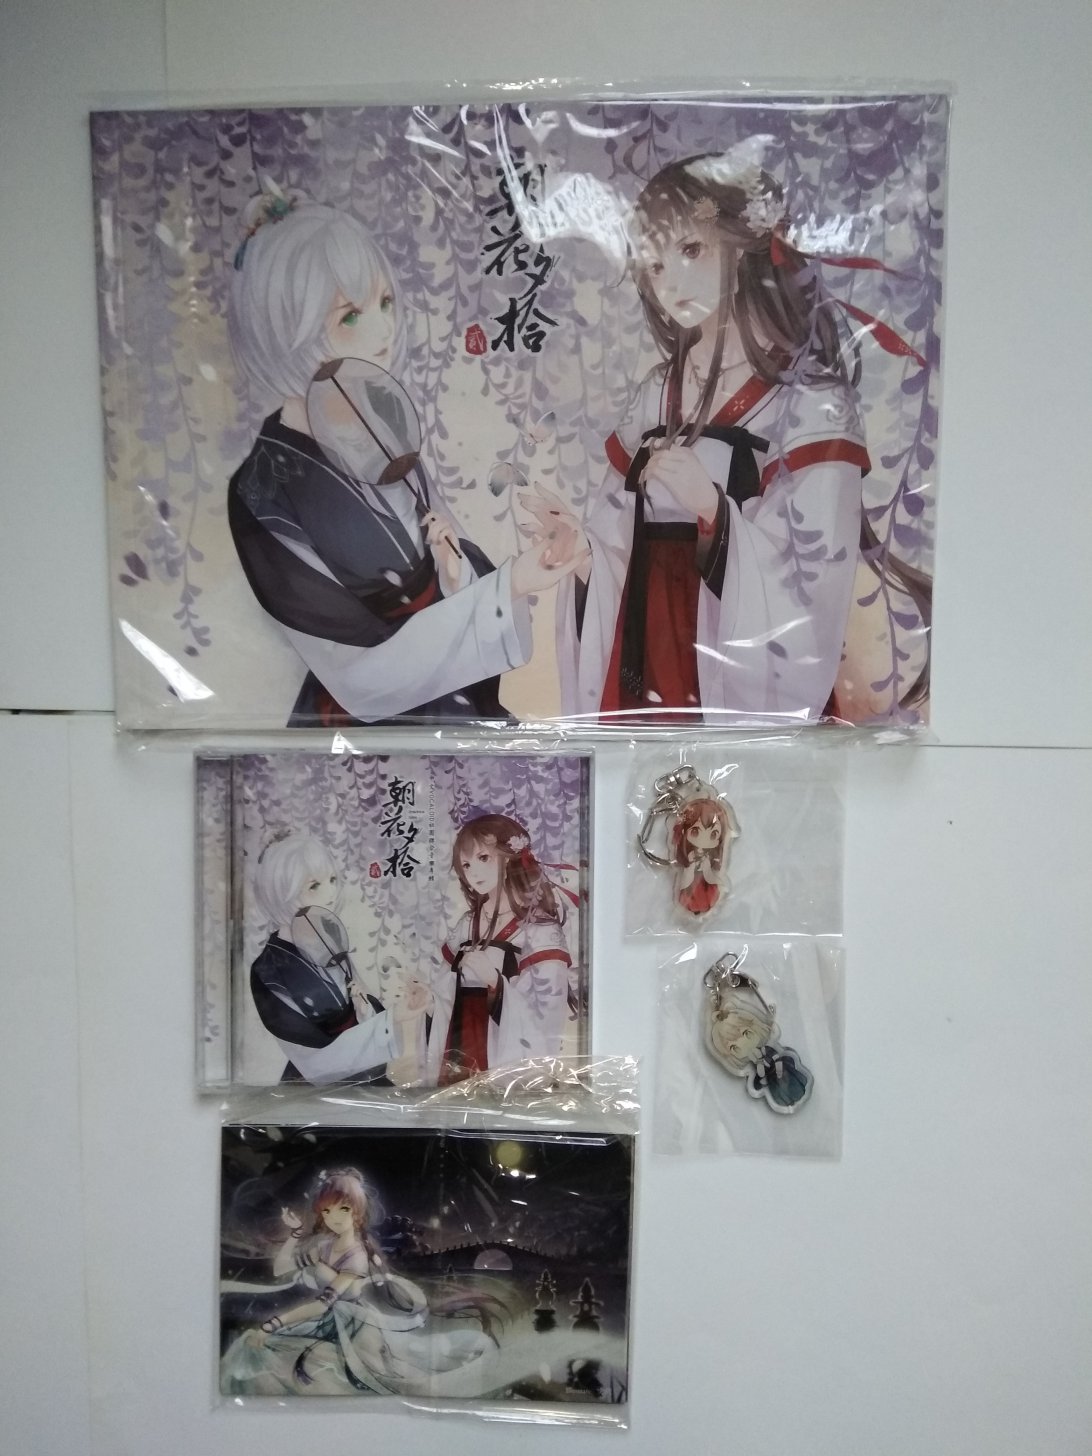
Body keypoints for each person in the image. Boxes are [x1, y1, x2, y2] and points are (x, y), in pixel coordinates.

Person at [541, 154, 930, 724]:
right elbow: (616, 544)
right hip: (644, 649)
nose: (671, 281)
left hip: (737, 673)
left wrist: (712, 512)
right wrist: (581, 555)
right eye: (655, 264)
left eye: (691, 249)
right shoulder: (654, 396)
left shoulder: (810, 404)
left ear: (743, 246)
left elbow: (811, 586)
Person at [226, 193, 581, 726]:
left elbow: (443, 558)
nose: (384, 330)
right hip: (365, 721)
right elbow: (354, 671)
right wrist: (507, 586)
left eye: (386, 304)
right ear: (284, 330)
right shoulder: (262, 490)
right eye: (351, 316)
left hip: (445, 687)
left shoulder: (382, 426)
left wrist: (460, 575)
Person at [221, 1167, 497, 1396]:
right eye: (327, 1211)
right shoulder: (324, 1247)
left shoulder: (356, 1257)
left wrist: (271, 1324)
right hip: (326, 1321)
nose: (334, 1218)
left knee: (394, 1382)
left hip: (354, 1327)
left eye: (342, 1209)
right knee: (255, 1347)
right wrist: (295, 1234)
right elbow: (281, 1268)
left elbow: (323, 1303)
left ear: (356, 1212)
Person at [249, 831, 423, 1084]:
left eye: (332, 880)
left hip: (362, 1072)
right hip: (318, 1087)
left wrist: (368, 1011)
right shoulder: (268, 971)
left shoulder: (328, 938)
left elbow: (360, 1002)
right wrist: (391, 1018)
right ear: (282, 892)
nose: (331, 892)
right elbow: (312, 1059)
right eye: (314, 886)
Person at [427, 814, 573, 1085]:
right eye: (466, 864)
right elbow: (442, 986)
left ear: (510, 857)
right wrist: (427, 1000)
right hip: (459, 1038)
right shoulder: (467, 923)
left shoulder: (539, 929)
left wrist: (495, 983)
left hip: (501, 1052)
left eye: (483, 858)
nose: (473, 872)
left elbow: (547, 1013)